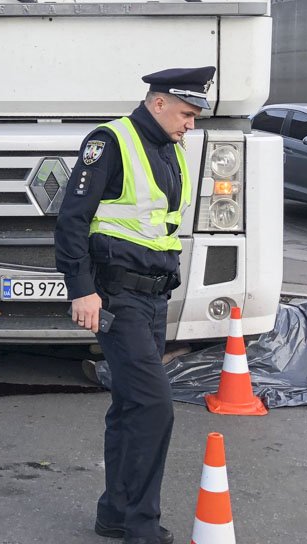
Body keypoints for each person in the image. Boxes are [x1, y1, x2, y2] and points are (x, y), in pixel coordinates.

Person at [54, 66, 214, 544]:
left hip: (153, 297)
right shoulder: (111, 142)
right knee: (153, 408)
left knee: (131, 406)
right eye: (186, 113)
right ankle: (141, 528)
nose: (191, 124)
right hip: (118, 297)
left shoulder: (170, 149)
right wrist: (82, 290)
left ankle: (115, 514)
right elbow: (72, 220)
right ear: (158, 103)